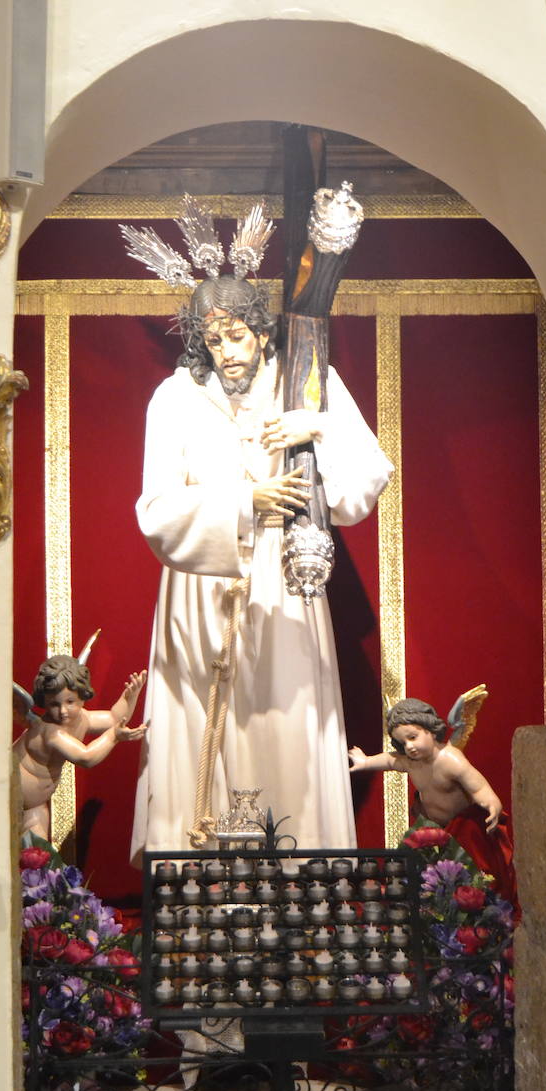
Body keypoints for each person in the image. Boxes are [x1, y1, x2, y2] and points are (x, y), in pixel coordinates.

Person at [130, 275, 393, 860]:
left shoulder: (305, 379)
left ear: (262, 332)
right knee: (203, 723)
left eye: (237, 335)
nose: (227, 352)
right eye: (214, 339)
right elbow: (155, 511)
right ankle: (199, 874)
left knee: (289, 718)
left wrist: (317, 427)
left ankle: (298, 871)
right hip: (201, 584)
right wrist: (243, 503)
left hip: (283, 580)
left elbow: (362, 487)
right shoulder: (174, 399)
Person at [349, 697, 519, 915]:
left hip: (467, 829)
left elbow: (478, 788)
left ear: (431, 730)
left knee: (478, 878)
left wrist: (492, 804)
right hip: (438, 830)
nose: (409, 746)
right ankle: (438, 913)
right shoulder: (411, 762)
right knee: (435, 879)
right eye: (403, 742)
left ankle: (482, 915)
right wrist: (366, 761)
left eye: (413, 737)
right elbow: (390, 760)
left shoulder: (450, 760)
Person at [14, 655, 147, 839]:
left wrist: (129, 697)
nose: (62, 711)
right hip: (11, 801)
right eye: (54, 704)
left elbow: (114, 718)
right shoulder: (51, 732)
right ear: (44, 702)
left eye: (70, 702)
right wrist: (113, 735)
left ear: (82, 697)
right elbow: (86, 758)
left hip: (34, 808)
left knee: (39, 858)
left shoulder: (82, 718)